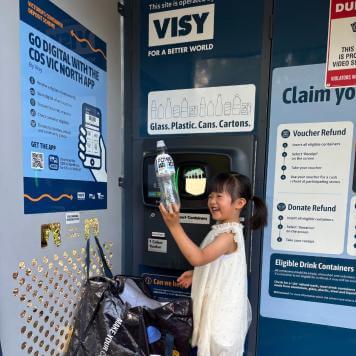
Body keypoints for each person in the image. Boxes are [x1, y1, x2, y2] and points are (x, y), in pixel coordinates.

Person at [159, 172, 267, 356]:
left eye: (219, 196)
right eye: (210, 196)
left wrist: (174, 226)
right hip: (219, 311)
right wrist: (196, 273)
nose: (212, 201)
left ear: (239, 203)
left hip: (222, 318)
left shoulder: (227, 235)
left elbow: (199, 257)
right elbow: (215, 262)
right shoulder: (222, 230)